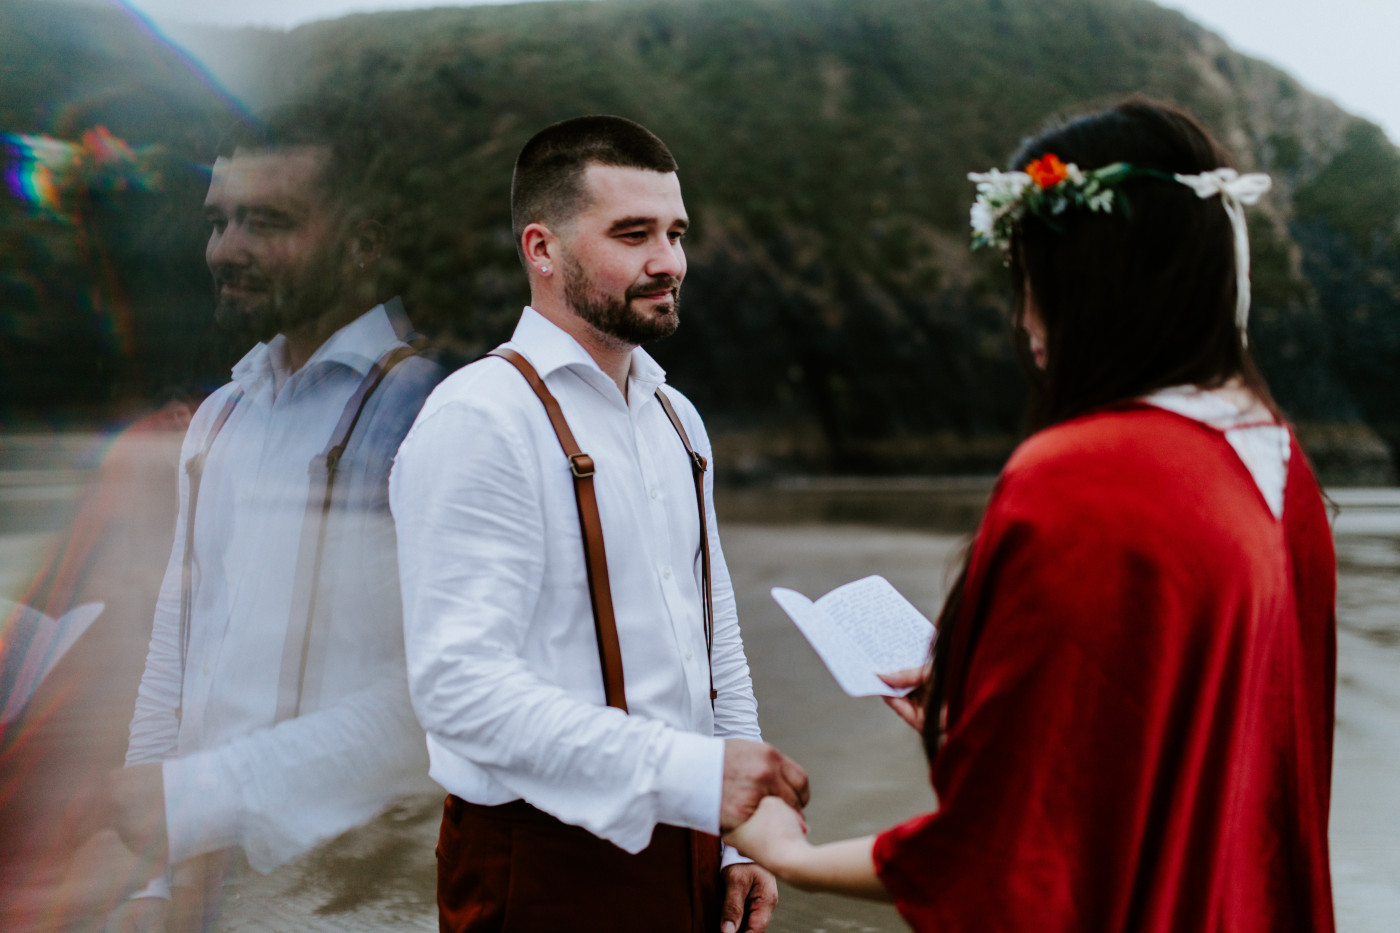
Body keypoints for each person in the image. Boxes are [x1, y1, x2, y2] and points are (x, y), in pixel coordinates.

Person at [725, 99, 1337, 933]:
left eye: (1030, 282)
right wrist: (991, 713)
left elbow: (1007, 853)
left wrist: (787, 854)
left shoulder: (1083, 474)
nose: (1024, 321)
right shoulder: (1275, 460)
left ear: (1086, 283)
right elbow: (1192, 761)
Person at [390, 115, 808, 933]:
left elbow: (712, 638)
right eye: (633, 233)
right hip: (541, 867)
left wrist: (737, 839)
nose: (669, 262)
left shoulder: (675, 415)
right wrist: (691, 774)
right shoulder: (481, 416)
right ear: (542, 249)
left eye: (677, 233)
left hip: (689, 851)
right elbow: (458, 688)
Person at [96, 106, 446, 932]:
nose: (227, 248)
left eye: (268, 221)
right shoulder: (222, 416)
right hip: (213, 891)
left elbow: (435, 704)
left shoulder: (427, 412)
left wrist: (193, 796)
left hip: (364, 901)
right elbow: (178, 648)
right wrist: (150, 883)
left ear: (363, 242)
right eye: (219, 221)